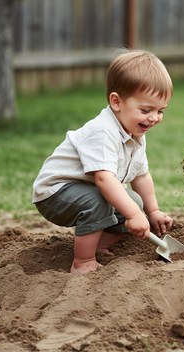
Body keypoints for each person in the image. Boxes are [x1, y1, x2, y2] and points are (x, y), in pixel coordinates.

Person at [33, 50, 173, 274]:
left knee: (133, 201)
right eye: (146, 110)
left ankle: (99, 245)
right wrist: (135, 217)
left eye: (160, 111)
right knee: (102, 203)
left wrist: (151, 210)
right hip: (55, 193)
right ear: (117, 102)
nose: (154, 117)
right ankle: (83, 261)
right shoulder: (103, 131)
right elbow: (104, 179)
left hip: (86, 190)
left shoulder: (135, 135)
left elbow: (141, 175)